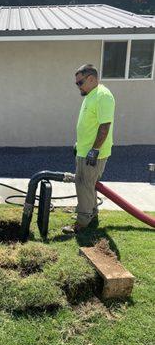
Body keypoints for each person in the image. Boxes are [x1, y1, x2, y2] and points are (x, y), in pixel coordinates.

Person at [62, 64, 115, 234]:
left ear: (91, 78)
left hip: (93, 153)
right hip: (84, 151)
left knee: (84, 185)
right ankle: (90, 213)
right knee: (85, 184)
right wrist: (79, 145)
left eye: (80, 82)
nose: (78, 86)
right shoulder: (91, 95)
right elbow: (89, 125)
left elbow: (104, 126)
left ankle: (82, 222)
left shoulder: (103, 96)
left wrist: (94, 150)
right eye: (76, 83)